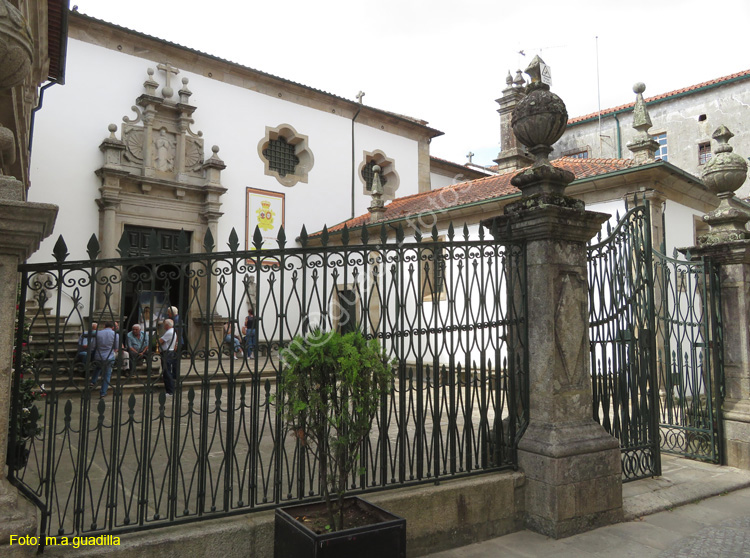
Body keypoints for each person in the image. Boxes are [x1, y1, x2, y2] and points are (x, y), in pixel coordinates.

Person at [89, 321, 119, 399]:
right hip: (109, 356)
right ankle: (103, 392)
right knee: (107, 374)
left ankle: (93, 381)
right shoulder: (115, 334)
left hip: (98, 356)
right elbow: (116, 347)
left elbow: (93, 346)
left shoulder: (98, 333)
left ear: (104, 325)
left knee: (98, 367)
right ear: (112, 327)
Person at [159, 318, 178, 397]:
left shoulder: (169, 332)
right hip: (169, 352)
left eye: (164, 325)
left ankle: (170, 391)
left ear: (167, 325)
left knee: (167, 372)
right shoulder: (172, 331)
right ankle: (169, 390)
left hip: (167, 352)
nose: (163, 326)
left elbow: (160, 341)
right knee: (166, 371)